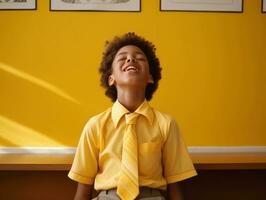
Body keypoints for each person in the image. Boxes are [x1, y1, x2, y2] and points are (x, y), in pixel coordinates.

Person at [68, 32, 197, 200]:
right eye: (123, 57)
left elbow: (175, 186)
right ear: (111, 79)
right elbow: (83, 188)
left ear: (150, 77)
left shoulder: (166, 124)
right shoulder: (95, 125)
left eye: (139, 57)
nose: (130, 59)